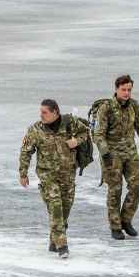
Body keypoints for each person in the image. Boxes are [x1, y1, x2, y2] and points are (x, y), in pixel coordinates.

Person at [20, 99, 90, 258]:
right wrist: (23, 173)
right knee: (56, 207)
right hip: (47, 175)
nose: (41, 115)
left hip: (68, 175)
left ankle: (54, 240)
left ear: (55, 112)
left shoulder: (70, 123)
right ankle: (62, 245)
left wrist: (76, 141)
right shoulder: (35, 130)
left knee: (65, 209)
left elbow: (86, 132)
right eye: (41, 112)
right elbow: (26, 152)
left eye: (45, 112)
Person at [92, 74, 139, 240]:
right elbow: (98, 134)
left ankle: (126, 219)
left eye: (129, 90)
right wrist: (105, 154)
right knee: (115, 190)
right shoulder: (107, 108)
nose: (126, 93)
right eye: (123, 89)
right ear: (116, 89)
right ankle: (115, 226)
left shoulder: (134, 106)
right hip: (112, 154)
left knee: (137, 186)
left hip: (130, 152)